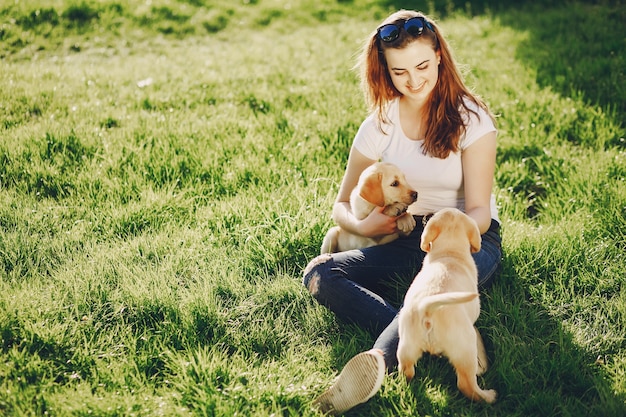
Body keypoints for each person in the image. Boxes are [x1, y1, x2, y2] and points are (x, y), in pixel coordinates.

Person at [302, 9, 502, 415]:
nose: (413, 80)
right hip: (404, 235)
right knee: (319, 273)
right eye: (399, 72)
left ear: (440, 56)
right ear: (384, 71)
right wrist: (363, 224)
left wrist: (448, 231)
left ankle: (377, 361)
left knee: (436, 289)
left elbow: (480, 211)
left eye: (423, 65)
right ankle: (446, 329)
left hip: (463, 240)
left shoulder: (473, 119)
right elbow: (341, 205)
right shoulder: (380, 122)